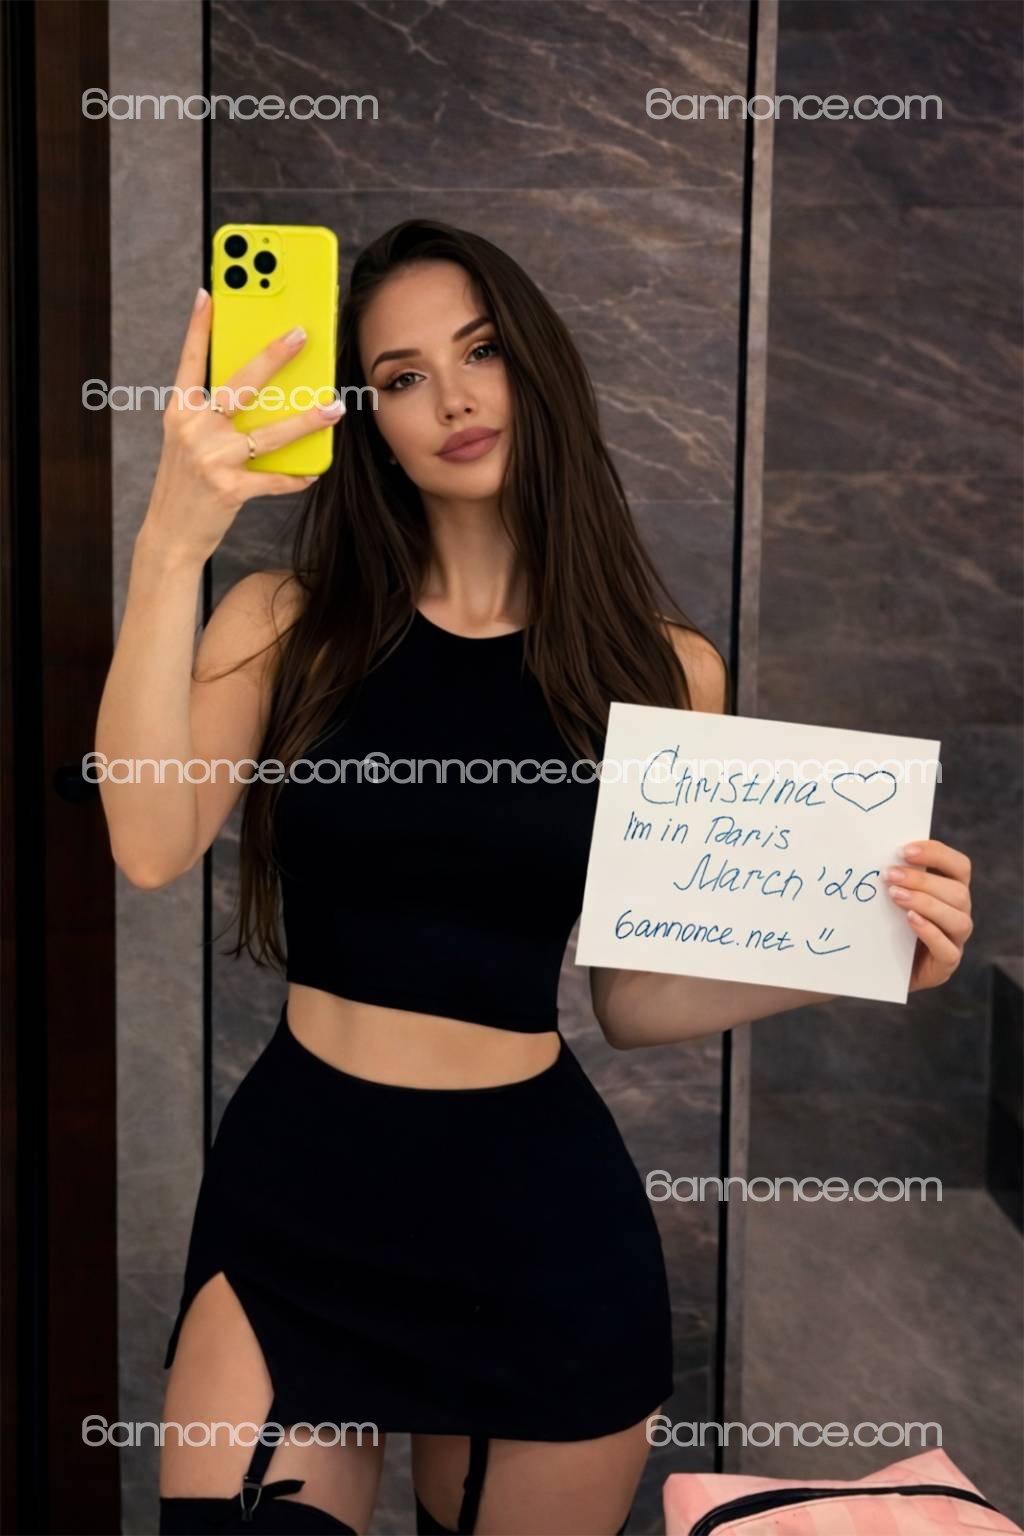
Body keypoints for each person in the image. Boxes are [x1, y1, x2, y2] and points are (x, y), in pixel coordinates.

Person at [96, 219, 974, 1536]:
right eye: (400, 377)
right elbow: (149, 840)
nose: (452, 399)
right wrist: (174, 537)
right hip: (298, 1186)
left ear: (536, 364)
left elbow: (632, 997)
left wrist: (862, 953)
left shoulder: (661, 671)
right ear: (368, 422)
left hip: (536, 1220)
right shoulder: (282, 621)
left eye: (482, 351)